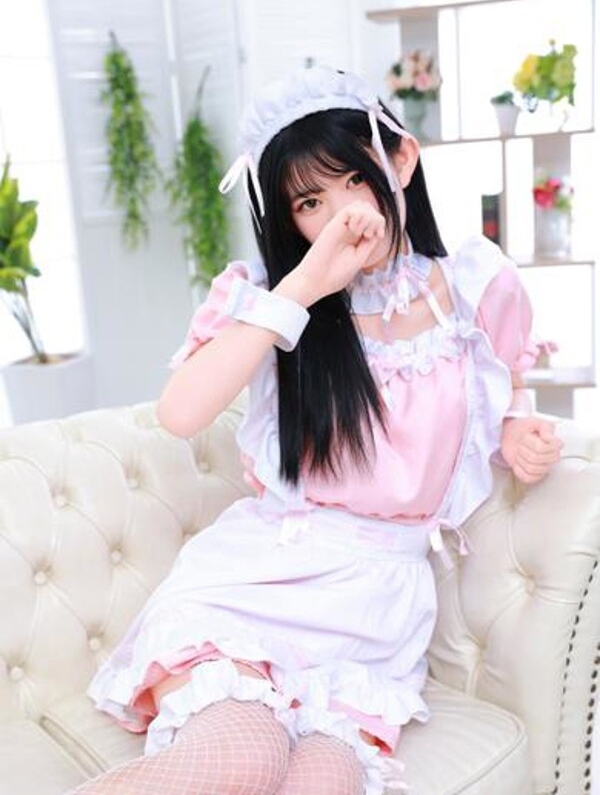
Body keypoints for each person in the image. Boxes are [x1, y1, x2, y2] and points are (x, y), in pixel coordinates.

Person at [70, 66, 563, 795]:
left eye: (354, 181)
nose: (340, 214)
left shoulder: (473, 286)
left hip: (378, 619)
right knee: (241, 759)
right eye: (309, 202)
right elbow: (180, 413)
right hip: (260, 585)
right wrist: (305, 285)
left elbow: (501, 387)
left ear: (401, 160)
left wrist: (517, 431)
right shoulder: (274, 301)